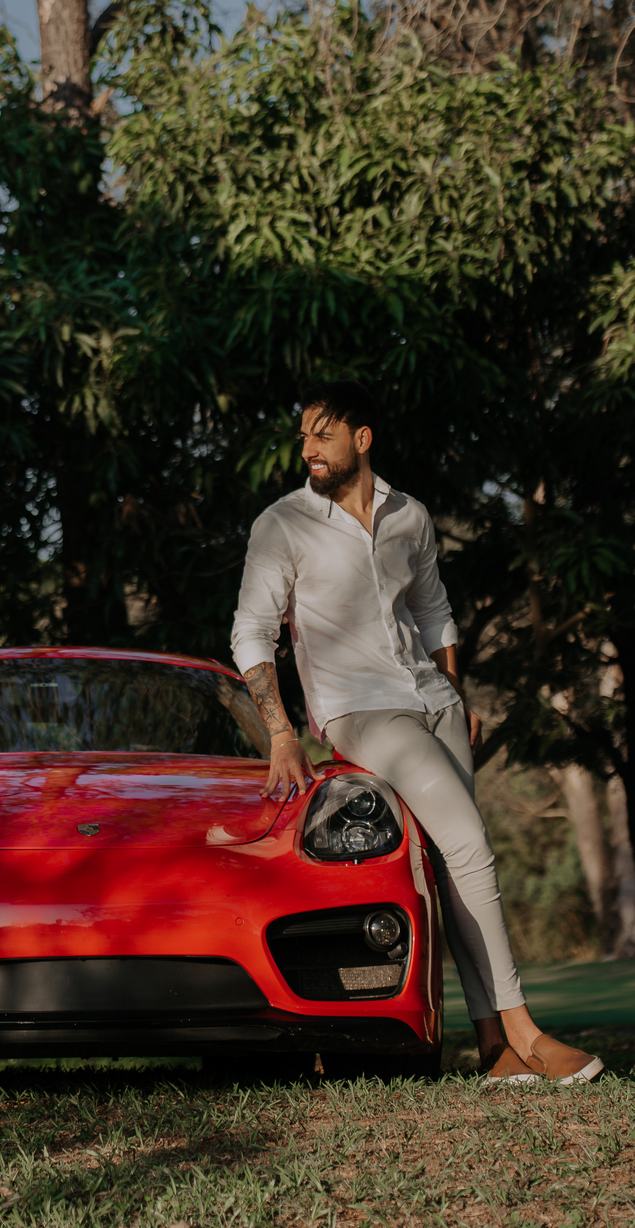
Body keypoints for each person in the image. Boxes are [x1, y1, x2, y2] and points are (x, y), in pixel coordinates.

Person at [232, 380, 603, 1086]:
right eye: (303, 436)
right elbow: (251, 632)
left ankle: (493, 1050)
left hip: (433, 701)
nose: (308, 449)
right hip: (362, 713)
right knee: (470, 844)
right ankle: (526, 1030)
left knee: (455, 864)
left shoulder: (411, 516)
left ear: (362, 438)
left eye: (322, 434)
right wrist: (280, 733)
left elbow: (433, 612)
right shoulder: (281, 525)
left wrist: (455, 694)